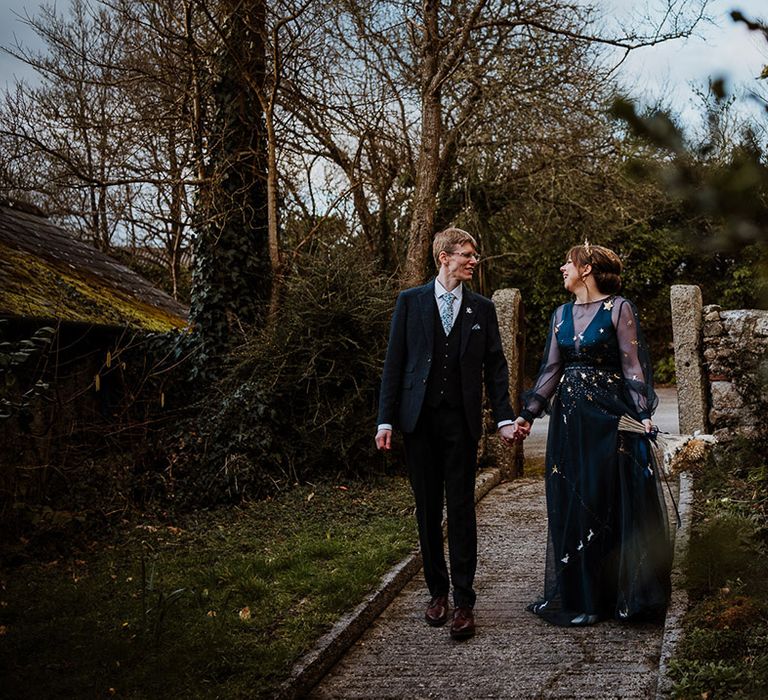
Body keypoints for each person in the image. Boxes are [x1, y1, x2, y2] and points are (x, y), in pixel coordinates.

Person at [512, 241, 672, 627]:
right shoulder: (560, 314)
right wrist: (528, 415)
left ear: (586, 269)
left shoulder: (618, 308)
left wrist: (642, 415)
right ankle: (581, 596)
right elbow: (551, 370)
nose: (562, 268)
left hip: (610, 421)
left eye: (568, 262)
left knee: (607, 499)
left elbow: (632, 367)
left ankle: (617, 595)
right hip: (570, 424)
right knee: (574, 499)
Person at [376, 227, 519, 640]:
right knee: (427, 508)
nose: (474, 260)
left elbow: (496, 367)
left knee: (460, 509)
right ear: (444, 257)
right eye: (467, 254)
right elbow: (395, 363)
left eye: (474, 254)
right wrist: (385, 420)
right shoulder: (410, 302)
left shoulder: (482, 309)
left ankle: (464, 601)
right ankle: (436, 593)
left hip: (461, 423)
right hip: (417, 421)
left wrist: (505, 418)